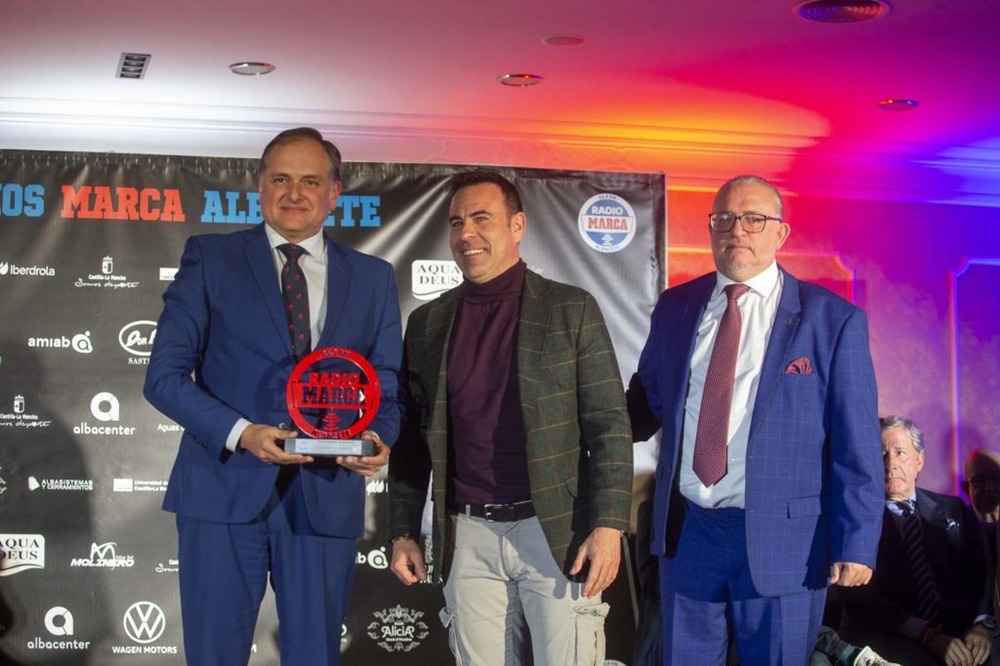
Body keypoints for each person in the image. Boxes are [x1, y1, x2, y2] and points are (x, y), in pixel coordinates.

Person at [144, 127, 402, 665]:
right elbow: (164, 377)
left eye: (311, 180)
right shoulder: (211, 258)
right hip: (221, 489)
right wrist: (244, 435)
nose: (294, 192)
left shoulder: (374, 278)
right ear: (258, 187)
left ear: (334, 194)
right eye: (280, 178)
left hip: (324, 496)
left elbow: (386, 381)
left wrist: (377, 437)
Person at [628, 174, 884, 664]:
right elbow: (647, 404)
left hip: (785, 542)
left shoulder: (832, 320)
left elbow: (857, 443)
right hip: (691, 535)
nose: (736, 230)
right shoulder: (676, 308)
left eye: (753, 219)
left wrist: (857, 541)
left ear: (780, 233)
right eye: (723, 218)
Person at [387, 170, 633, 665]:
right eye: (457, 223)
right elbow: (414, 440)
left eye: (482, 219)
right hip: (468, 533)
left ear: (517, 225)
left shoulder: (571, 309)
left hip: (557, 533)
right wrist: (403, 531)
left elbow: (610, 425)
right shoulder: (427, 323)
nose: (466, 235)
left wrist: (609, 525)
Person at [839, 416, 994, 666]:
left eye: (900, 453)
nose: (890, 464)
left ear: (919, 460)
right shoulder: (854, 517)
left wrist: (983, 624)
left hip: (960, 633)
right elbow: (857, 596)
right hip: (889, 636)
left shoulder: (953, 508)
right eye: (881, 454)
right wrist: (926, 634)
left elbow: (982, 574)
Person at [964, 448, 1000, 665]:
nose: (988, 486)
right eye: (980, 479)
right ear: (966, 487)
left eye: (996, 477)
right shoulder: (957, 527)